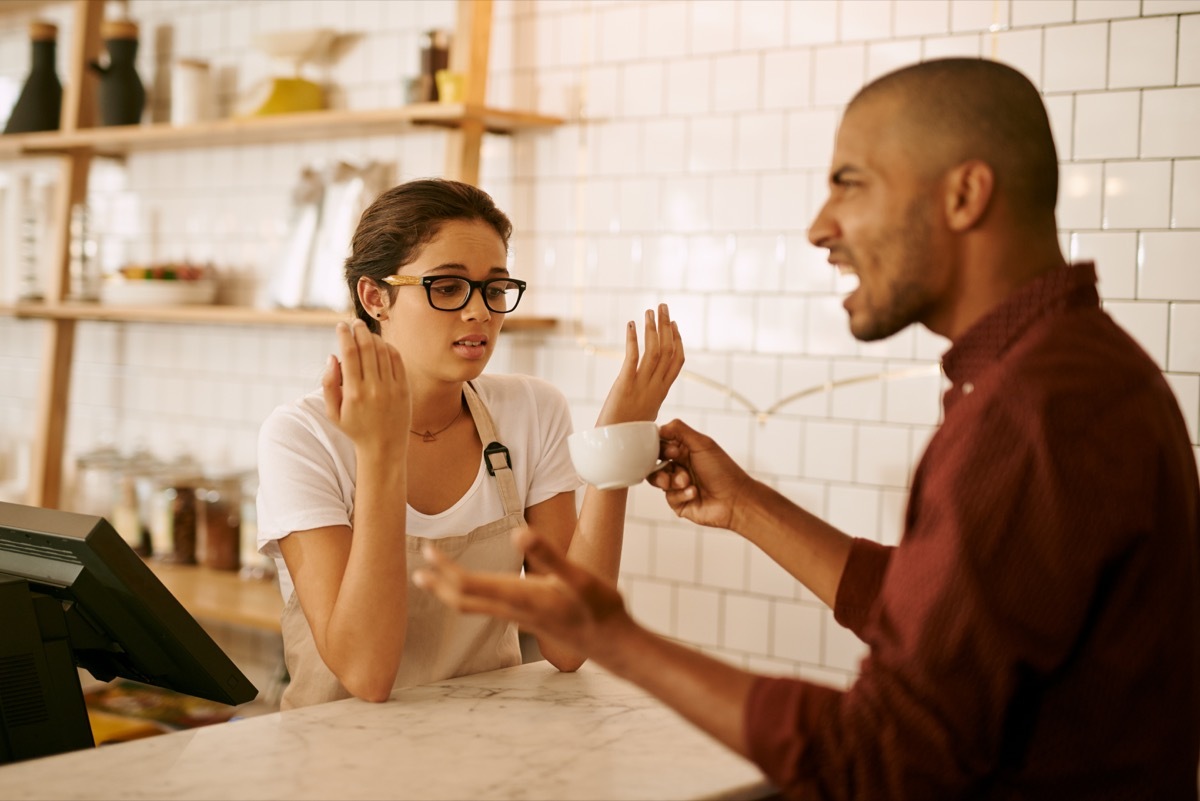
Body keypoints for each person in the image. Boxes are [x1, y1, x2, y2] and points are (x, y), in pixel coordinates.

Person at [413, 58, 1200, 799]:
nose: (820, 227)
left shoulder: (1033, 412)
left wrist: (621, 640)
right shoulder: (1070, 371)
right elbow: (953, 616)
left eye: (848, 183)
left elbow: (881, 755)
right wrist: (747, 504)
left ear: (965, 195)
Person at [256, 178, 684, 709]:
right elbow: (366, 674)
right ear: (375, 297)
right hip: (340, 750)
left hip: (486, 737)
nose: (480, 311)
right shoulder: (304, 436)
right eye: (448, 286)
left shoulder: (532, 411)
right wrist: (380, 452)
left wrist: (616, 445)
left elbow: (569, 645)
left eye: (495, 289)